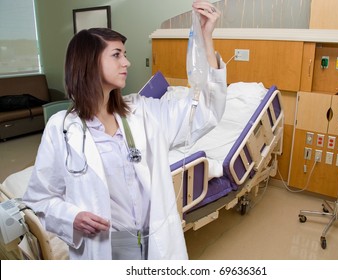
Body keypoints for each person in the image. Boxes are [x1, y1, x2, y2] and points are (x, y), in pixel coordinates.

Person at [23, 1, 226, 260]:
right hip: (107, 247)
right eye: (117, 54)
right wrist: (72, 217)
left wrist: (206, 38)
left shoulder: (144, 113)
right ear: (89, 63)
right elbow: (39, 199)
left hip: (157, 242)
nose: (127, 62)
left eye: (125, 54)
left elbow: (206, 110)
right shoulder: (61, 129)